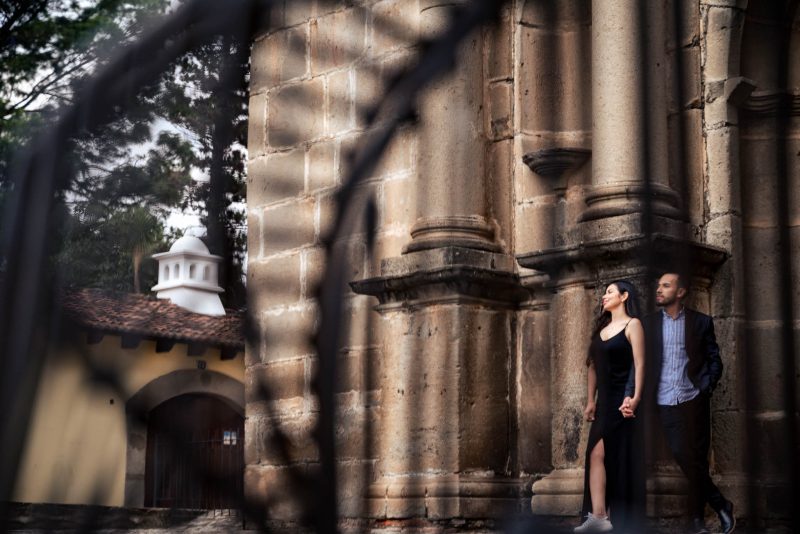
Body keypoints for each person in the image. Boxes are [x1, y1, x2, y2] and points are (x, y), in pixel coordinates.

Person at [622, 272, 735, 534]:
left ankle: (696, 521)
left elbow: (714, 358)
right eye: (658, 284)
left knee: (697, 460)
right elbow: (636, 365)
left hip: (692, 398)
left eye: (665, 285)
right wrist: (630, 394)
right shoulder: (647, 325)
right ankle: (720, 504)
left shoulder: (701, 322)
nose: (658, 289)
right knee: (684, 456)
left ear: (681, 291)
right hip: (664, 401)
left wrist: (706, 386)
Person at [575, 280, 646, 533]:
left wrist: (635, 398)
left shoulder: (633, 325)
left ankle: (612, 517)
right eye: (604, 292)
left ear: (624, 296)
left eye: (610, 292)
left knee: (616, 458)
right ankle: (599, 516)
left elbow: (639, 364)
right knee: (594, 454)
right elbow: (592, 367)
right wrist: (591, 400)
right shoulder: (601, 330)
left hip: (623, 402)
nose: (604, 296)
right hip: (604, 402)